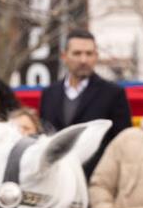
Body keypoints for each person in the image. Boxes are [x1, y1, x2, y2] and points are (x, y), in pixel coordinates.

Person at [38, 29, 132, 175]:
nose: (83, 60)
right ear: (64, 56)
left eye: (89, 54)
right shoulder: (49, 94)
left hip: (95, 179)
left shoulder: (113, 94)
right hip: (54, 178)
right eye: (77, 53)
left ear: (96, 56)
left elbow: (122, 143)